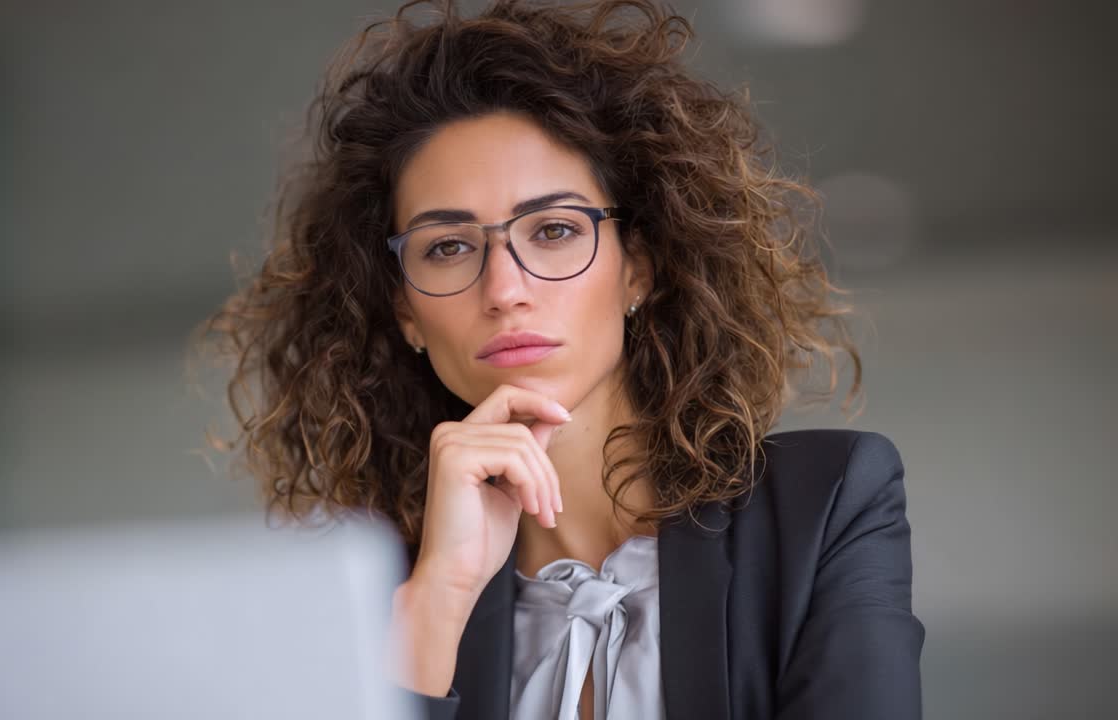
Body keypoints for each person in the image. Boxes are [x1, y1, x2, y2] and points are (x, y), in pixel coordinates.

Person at [200, 1, 925, 718]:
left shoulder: (824, 505)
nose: (504, 290)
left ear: (636, 267)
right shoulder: (375, 599)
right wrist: (438, 601)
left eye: (552, 229)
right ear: (405, 314)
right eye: (448, 247)